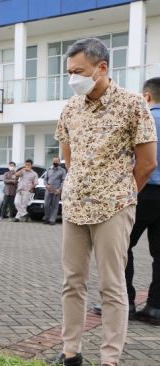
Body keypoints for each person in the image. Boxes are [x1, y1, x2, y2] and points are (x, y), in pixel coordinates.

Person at [53, 38, 157, 366]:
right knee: (72, 282)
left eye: (79, 71)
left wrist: (123, 195)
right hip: (75, 206)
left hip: (114, 207)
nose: (73, 78)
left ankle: (109, 358)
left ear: (102, 68)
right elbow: (69, 155)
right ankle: (71, 352)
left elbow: (147, 162)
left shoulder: (132, 104)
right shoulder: (70, 107)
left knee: (112, 285)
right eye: (69, 72)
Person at [126, 77, 160, 326]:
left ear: (146, 96)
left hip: (143, 190)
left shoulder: (143, 120)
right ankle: (155, 307)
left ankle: (122, 302)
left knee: (120, 248)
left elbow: (139, 162)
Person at [43, 157, 66, 225]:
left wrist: (59, 189)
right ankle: (47, 218)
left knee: (54, 205)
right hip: (48, 190)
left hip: (56, 191)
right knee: (46, 205)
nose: (55, 162)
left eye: (56, 161)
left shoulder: (62, 171)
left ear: (59, 162)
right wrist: (46, 185)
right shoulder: (49, 170)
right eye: (54, 161)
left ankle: (52, 220)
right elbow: (45, 179)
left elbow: (63, 181)